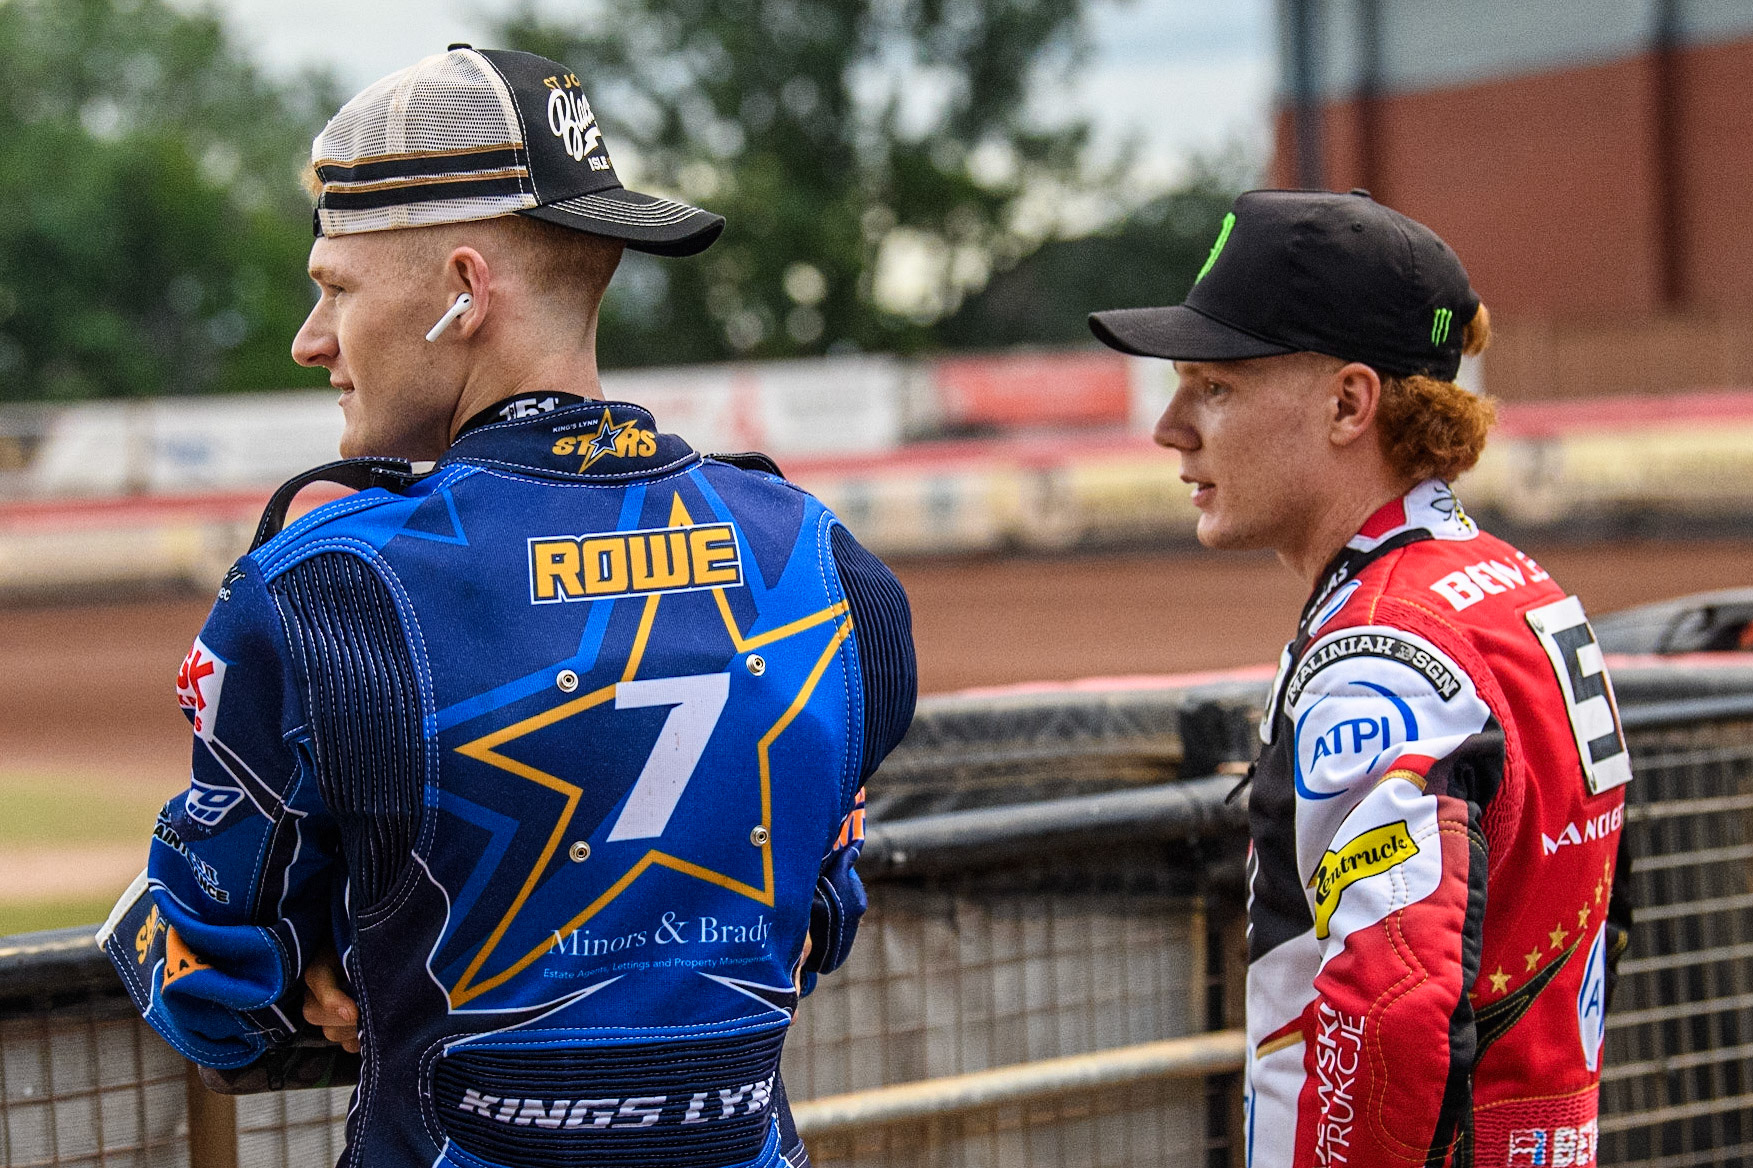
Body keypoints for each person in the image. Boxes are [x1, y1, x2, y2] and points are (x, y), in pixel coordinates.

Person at [99, 45, 916, 1168]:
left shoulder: (324, 589)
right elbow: (819, 919)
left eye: (336, 287)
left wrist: (320, 962)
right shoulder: (824, 559)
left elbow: (213, 983)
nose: (310, 339)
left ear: (464, 291)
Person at [1090, 189, 1632, 1168]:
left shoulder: (1379, 649)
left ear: (1348, 403)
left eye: (1214, 387)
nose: (1171, 428)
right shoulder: (1515, 584)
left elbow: (1392, 1008)